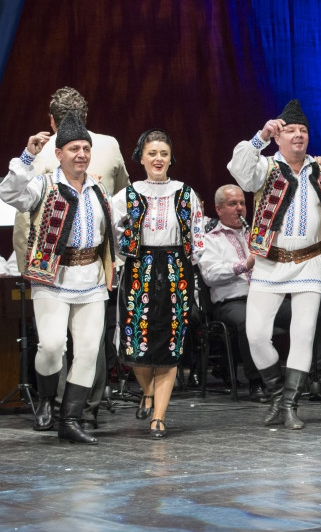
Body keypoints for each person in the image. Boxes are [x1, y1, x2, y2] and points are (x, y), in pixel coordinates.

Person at [11, 87, 129, 429]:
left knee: (90, 350)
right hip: (51, 271)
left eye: (85, 149)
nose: (81, 155)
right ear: (58, 152)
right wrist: (26, 158)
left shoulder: (99, 188)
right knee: (52, 345)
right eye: (74, 149)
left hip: (91, 275)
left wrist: (117, 260)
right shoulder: (44, 179)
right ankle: (49, 399)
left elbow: (116, 223)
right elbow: (12, 195)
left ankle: (74, 417)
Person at [227, 99, 321, 430]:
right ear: (278, 137)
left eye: (303, 130)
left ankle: (290, 404)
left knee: (303, 334)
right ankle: (277, 394)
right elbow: (239, 170)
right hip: (270, 262)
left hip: (309, 262)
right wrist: (259, 137)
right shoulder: (265, 167)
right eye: (291, 131)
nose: (298, 135)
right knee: (256, 334)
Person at [112, 129, 204, 439]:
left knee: (169, 344)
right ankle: (148, 392)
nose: (158, 159)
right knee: (136, 345)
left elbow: (197, 235)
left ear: (170, 158)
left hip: (176, 270)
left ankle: (159, 417)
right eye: (152, 153)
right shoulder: (126, 196)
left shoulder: (186, 193)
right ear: (141, 158)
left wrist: (191, 271)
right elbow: (113, 235)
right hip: (139, 270)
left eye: (163, 153)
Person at [198, 185, 267, 400]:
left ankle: (312, 377)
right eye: (232, 204)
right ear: (219, 209)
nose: (239, 208)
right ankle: (256, 382)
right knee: (250, 321)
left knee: (303, 313)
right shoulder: (210, 239)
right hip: (231, 303)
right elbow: (210, 275)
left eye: (242, 203)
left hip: (264, 296)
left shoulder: (257, 235)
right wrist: (244, 265)